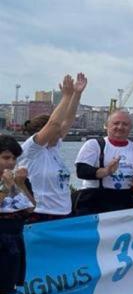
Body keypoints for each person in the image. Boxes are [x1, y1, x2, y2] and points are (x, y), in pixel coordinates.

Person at [18, 73, 86, 222]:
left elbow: (67, 120)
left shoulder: (52, 148)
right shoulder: (32, 150)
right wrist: (66, 97)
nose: (60, 133)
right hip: (41, 214)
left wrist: (76, 95)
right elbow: (54, 124)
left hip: (63, 213)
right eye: (56, 132)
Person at [74, 109, 133, 214]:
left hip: (125, 201)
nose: (120, 127)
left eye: (125, 124)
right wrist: (106, 171)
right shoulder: (94, 145)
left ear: (130, 128)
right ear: (107, 126)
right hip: (95, 201)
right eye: (116, 123)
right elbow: (81, 171)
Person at [0, 136, 34, 294]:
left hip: (13, 240)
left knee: (2, 293)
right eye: (5, 157)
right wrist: (6, 187)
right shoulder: (6, 182)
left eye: (13, 158)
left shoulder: (18, 180)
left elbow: (31, 207)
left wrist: (19, 186)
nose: (10, 163)